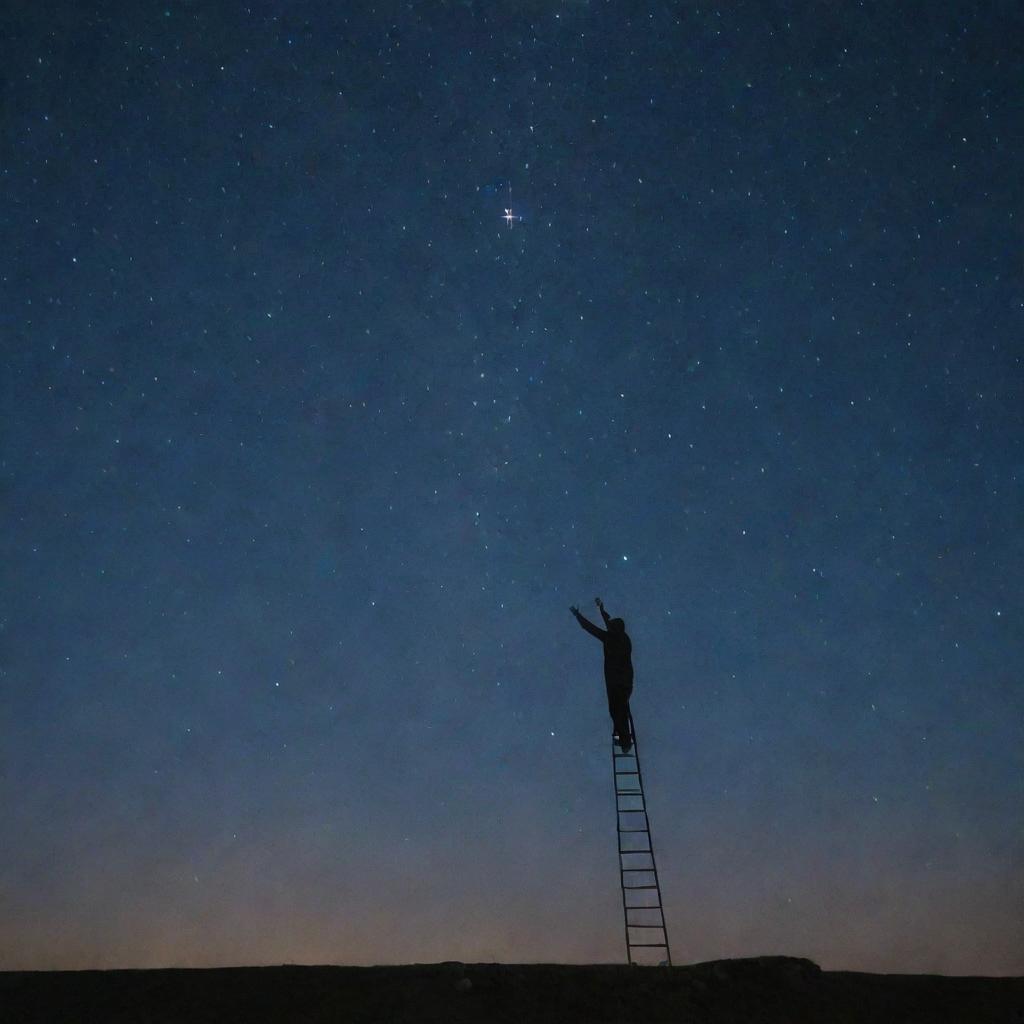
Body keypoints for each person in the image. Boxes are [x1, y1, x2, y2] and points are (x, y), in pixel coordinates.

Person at [570, 597, 634, 752]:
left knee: (616, 710)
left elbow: (590, 628)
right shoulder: (623, 638)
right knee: (619, 710)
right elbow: (608, 624)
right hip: (624, 681)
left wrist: (579, 616)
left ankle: (625, 741)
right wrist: (601, 610)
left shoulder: (611, 638)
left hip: (615, 681)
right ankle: (621, 736)